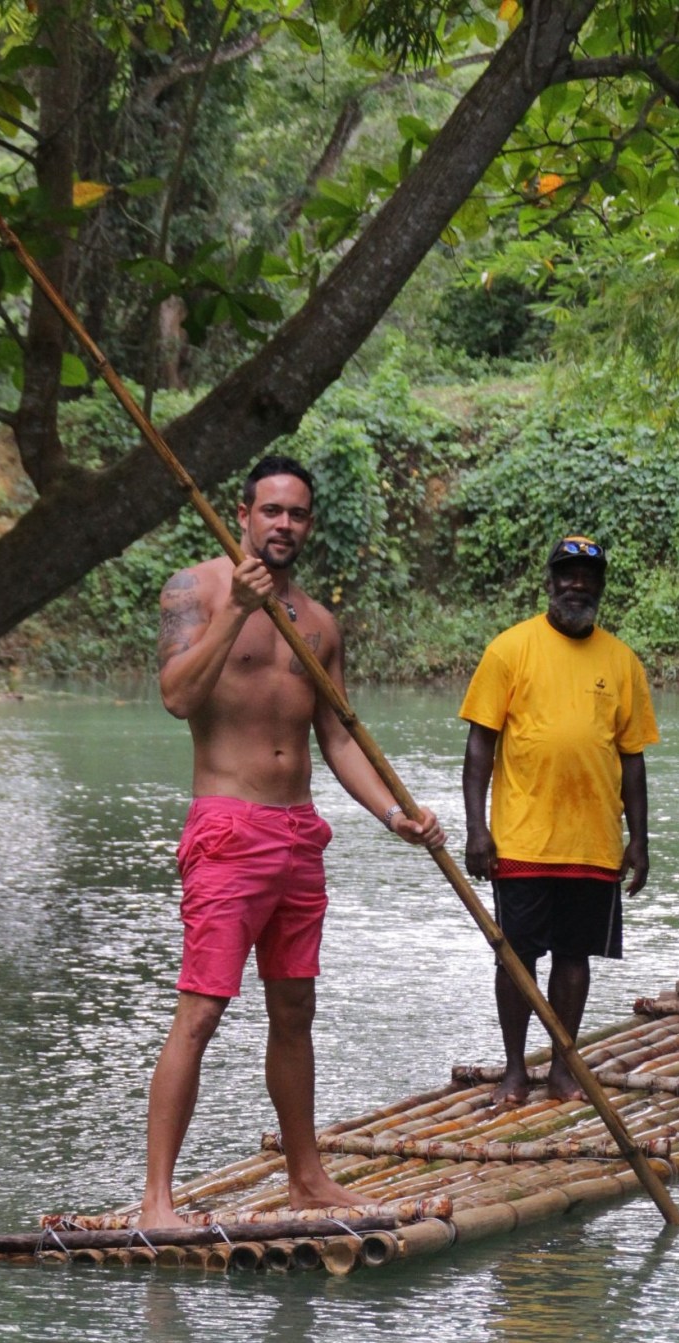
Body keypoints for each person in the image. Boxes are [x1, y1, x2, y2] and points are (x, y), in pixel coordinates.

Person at [140, 454, 444, 1227]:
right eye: (270, 510)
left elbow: (337, 737)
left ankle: (307, 1177)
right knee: (201, 1010)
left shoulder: (318, 625)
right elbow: (177, 697)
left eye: (297, 514)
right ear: (242, 514)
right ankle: (157, 1199)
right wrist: (237, 612)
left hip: (298, 834)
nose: (283, 524)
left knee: (295, 1008)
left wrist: (393, 815)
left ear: (310, 526)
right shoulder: (195, 589)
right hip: (228, 827)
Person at [460, 534, 659, 1106]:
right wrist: (477, 829)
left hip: (593, 840)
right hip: (521, 838)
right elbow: (479, 747)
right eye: (567, 574)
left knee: (575, 958)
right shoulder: (510, 649)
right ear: (549, 582)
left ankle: (563, 1068)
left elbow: (632, 758)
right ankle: (514, 1070)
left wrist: (639, 840)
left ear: (600, 587)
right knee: (516, 958)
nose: (577, 585)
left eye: (588, 577)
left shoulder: (622, 662)